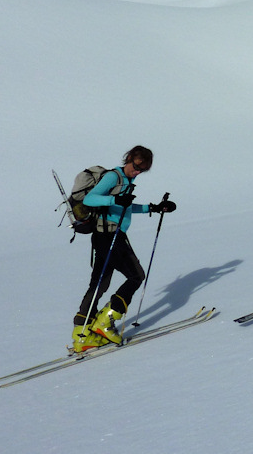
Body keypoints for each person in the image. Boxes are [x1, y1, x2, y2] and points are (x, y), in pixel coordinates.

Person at [70, 146, 176, 353]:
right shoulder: (113, 177)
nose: (137, 172)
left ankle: (81, 335)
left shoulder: (127, 181)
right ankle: (104, 323)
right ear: (128, 159)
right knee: (136, 276)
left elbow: (123, 206)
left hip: (105, 236)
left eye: (142, 170)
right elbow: (91, 198)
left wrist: (153, 208)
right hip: (109, 235)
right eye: (136, 167)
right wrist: (114, 199)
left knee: (100, 283)